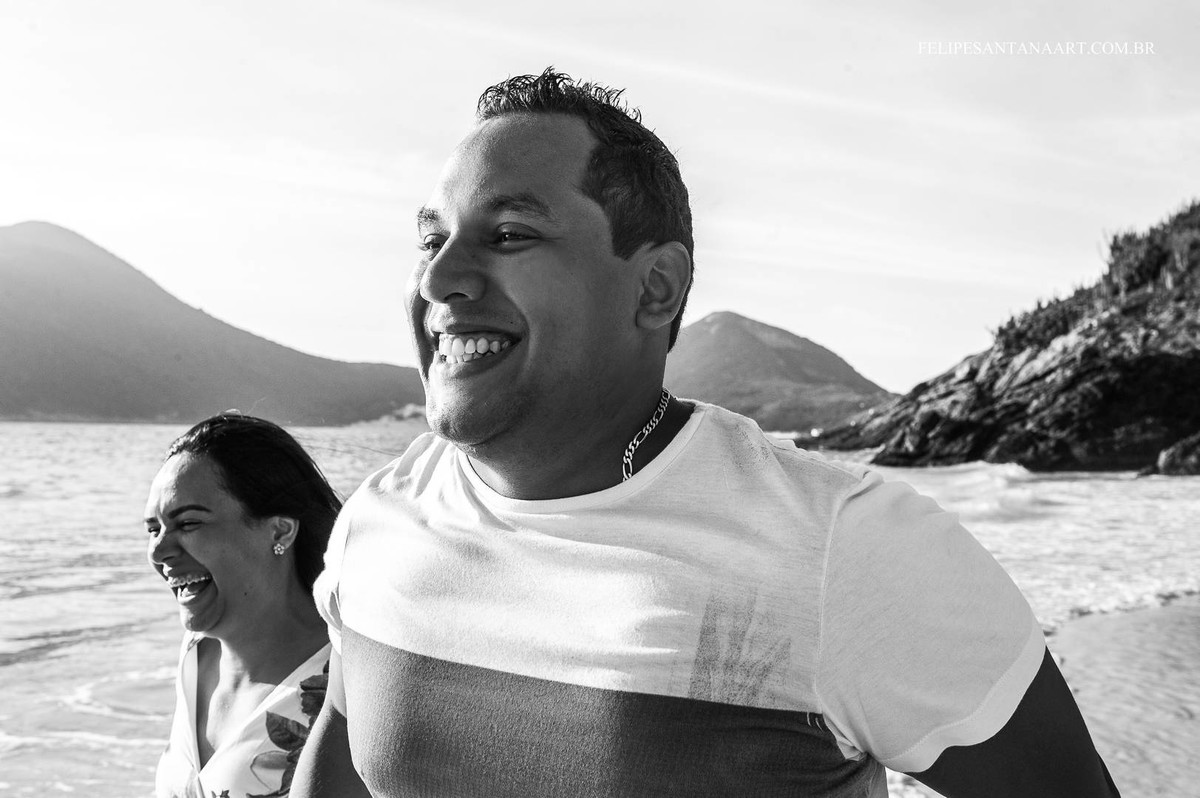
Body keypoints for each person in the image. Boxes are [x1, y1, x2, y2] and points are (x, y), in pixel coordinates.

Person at [292, 69, 1119, 797]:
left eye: (508, 234)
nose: (440, 277)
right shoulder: (380, 519)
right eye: (432, 238)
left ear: (656, 287)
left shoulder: (843, 550)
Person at [145, 412, 340, 798]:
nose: (159, 550)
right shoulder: (197, 656)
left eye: (187, 524)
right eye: (154, 529)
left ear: (279, 530)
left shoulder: (346, 681)